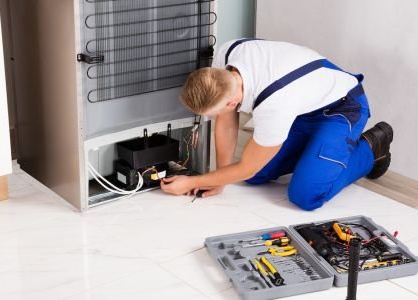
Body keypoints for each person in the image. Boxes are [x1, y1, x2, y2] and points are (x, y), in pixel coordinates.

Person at [160, 38, 393, 211]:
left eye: (214, 113)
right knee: (250, 174)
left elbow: (247, 166)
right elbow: (226, 120)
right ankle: (314, 152)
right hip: (302, 108)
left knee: (306, 195)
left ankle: (372, 148)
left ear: (232, 102)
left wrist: (193, 182)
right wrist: (220, 179)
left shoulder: (274, 104)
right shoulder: (227, 56)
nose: (216, 117)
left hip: (342, 108)